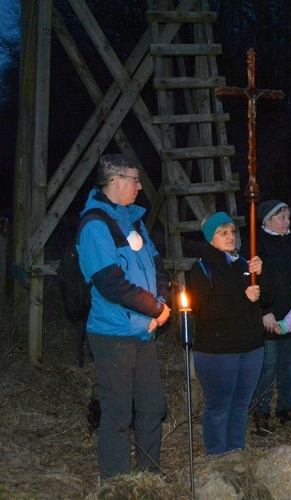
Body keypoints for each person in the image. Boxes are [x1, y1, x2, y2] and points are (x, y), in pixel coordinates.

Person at [77, 154, 171, 479]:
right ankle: (117, 484)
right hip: (113, 334)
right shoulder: (95, 226)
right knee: (117, 413)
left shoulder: (133, 219)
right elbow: (111, 283)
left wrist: (162, 299)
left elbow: (156, 263)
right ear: (115, 180)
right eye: (134, 178)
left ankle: (148, 477)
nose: (140, 185)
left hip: (143, 332)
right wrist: (156, 308)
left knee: (151, 407)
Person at [188, 212, 268, 455]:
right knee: (219, 406)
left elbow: (268, 298)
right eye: (223, 233)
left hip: (251, 348)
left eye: (232, 231)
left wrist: (262, 274)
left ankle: (236, 452)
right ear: (211, 238)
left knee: (241, 405)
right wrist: (243, 298)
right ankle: (217, 455)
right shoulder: (201, 268)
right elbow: (204, 310)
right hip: (218, 350)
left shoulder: (244, 265)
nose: (230, 236)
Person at [252, 200, 291, 436]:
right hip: (269, 315)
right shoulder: (258, 245)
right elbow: (251, 281)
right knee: (267, 368)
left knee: (289, 366)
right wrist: (263, 311)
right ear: (267, 220)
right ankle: (261, 411)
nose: (287, 222)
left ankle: (286, 408)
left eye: (288, 217)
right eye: (281, 218)